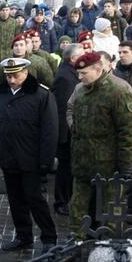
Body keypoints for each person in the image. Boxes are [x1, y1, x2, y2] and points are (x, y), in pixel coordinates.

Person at [56, 52, 132, 262]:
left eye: (83, 73)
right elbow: (72, 113)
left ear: (98, 69)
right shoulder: (81, 90)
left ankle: (108, 256)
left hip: (109, 166)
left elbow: (128, 132)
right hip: (83, 163)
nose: (80, 77)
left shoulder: (119, 91)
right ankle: (76, 249)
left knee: (111, 212)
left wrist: (126, 164)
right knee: (77, 208)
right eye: (78, 73)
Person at [0, 58, 58, 254]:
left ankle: (49, 237)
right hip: (9, 156)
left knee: (34, 198)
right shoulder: (0, 95)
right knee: (15, 199)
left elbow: (49, 130)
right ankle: (23, 236)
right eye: (8, 76)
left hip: (31, 157)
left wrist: (46, 160)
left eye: (16, 75)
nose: (11, 80)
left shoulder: (41, 94)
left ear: (26, 73)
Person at [52, 44, 84, 216]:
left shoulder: (70, 73)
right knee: (65, 169)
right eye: (81, 55)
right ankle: (61, 201)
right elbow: (62, 108)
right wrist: (64, 135)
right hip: (66, 134)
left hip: (69, 132)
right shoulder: (65, 78)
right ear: (73, 59)